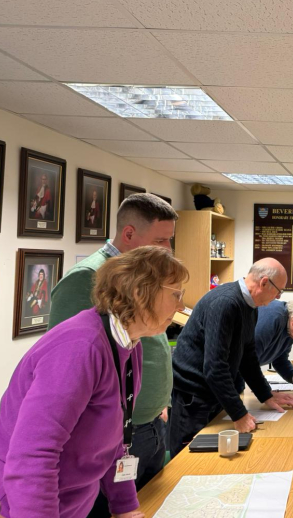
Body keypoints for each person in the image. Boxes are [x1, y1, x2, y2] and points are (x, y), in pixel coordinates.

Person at [0, 246, 188, 518]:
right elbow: (33, 456)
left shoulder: (129, 341)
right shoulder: (80, 347)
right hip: (34, 504)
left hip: (74, 501)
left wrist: (126, 507)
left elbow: (117, 436)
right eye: (176, 295)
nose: (181, 306)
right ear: (139, 292)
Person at [47, 193, 177, 516]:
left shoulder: (144, 280)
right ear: (129, 234)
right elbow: (65, 371)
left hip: (146, 426)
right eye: (161, 240)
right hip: (105, 443)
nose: (168, 250)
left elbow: (146, 350)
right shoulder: (87, 279)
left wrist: (159, 402)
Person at [170, 258, 293, 457]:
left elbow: (247, 357)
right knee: (190, 457)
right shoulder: (225, 303)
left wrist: (265, 395)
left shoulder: (250, 307)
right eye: (279, 291)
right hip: (194, 395)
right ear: (264, 283)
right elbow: (214, 367)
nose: (278, 297)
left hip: (214, 393)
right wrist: (239, 413)